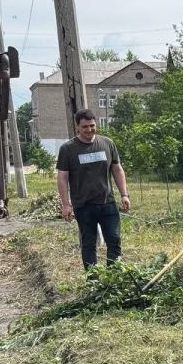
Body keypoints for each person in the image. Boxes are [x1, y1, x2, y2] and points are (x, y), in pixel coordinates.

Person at [56, 109, 130, 269]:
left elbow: (117, 170)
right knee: (89, 244)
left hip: (107, 203)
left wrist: (124, 194)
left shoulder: (107, 143)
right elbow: (62, 177)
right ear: (77, 127)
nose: (89, 130)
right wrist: (66, 205)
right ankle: (93, 279)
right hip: (84, 206)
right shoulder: (68, 149)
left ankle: (113, 277)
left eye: (92, 125)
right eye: (85, 127)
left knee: (114, 240)